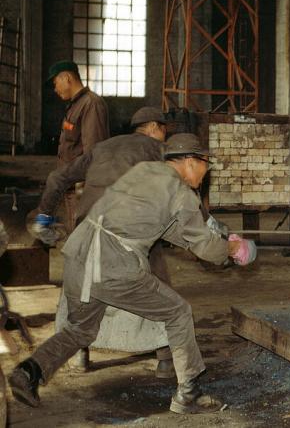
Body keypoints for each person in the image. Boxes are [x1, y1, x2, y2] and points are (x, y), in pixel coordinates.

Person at [9, 133, 257, 415]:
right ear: (189, 161)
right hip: (113, 263)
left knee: (81, 329)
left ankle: (28, 372)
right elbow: (205, 248)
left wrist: (219, 243)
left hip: (79, 255)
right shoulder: (181, 194)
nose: (206, 171)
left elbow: (172, 230)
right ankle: (188, 393)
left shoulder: (143, 171)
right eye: (205, 164)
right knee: (178, 312)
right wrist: (233, 249)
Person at [33, 106, 173, 375]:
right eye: (164, 131)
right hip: (128, 229)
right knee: (158, 279)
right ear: (155, 127)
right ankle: (165, 356)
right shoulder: (158, 150)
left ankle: (80, 355)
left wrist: (44, 215)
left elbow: (57, 177)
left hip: (88, 227)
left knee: (83, 285)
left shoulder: (103, 148)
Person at [46, 60, 110, 233]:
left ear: (66, 78)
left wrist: (86, 193)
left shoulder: (91, 104)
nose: (55, 89)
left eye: (55, 83)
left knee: (84, 238)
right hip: (71, 186)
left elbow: (94, 152)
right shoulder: (76, 105)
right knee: (76, 237)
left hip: (82, 190)